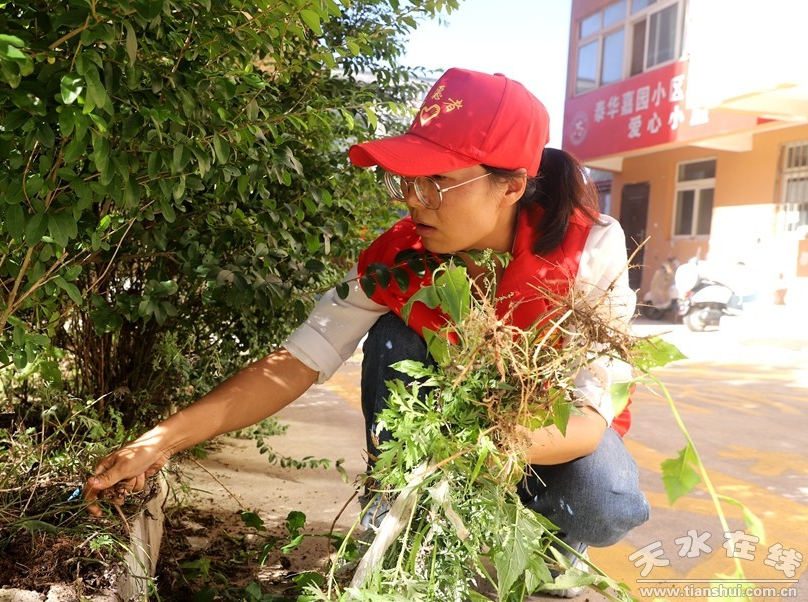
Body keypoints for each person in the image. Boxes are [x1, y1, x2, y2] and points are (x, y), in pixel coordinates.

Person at [83, 68, 649, 596]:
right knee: (393, 335)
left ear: (511, 185)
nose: (413, 200)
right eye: (408, 180)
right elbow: (299, 359)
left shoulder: (588, 249)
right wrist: (158, 444)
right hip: (441, 432)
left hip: (540, 435)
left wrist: (472, 449)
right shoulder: (400, 256)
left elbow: (588, 417)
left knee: (606, 499)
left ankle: (550, 553)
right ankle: (395, 518)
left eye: (437, 182)